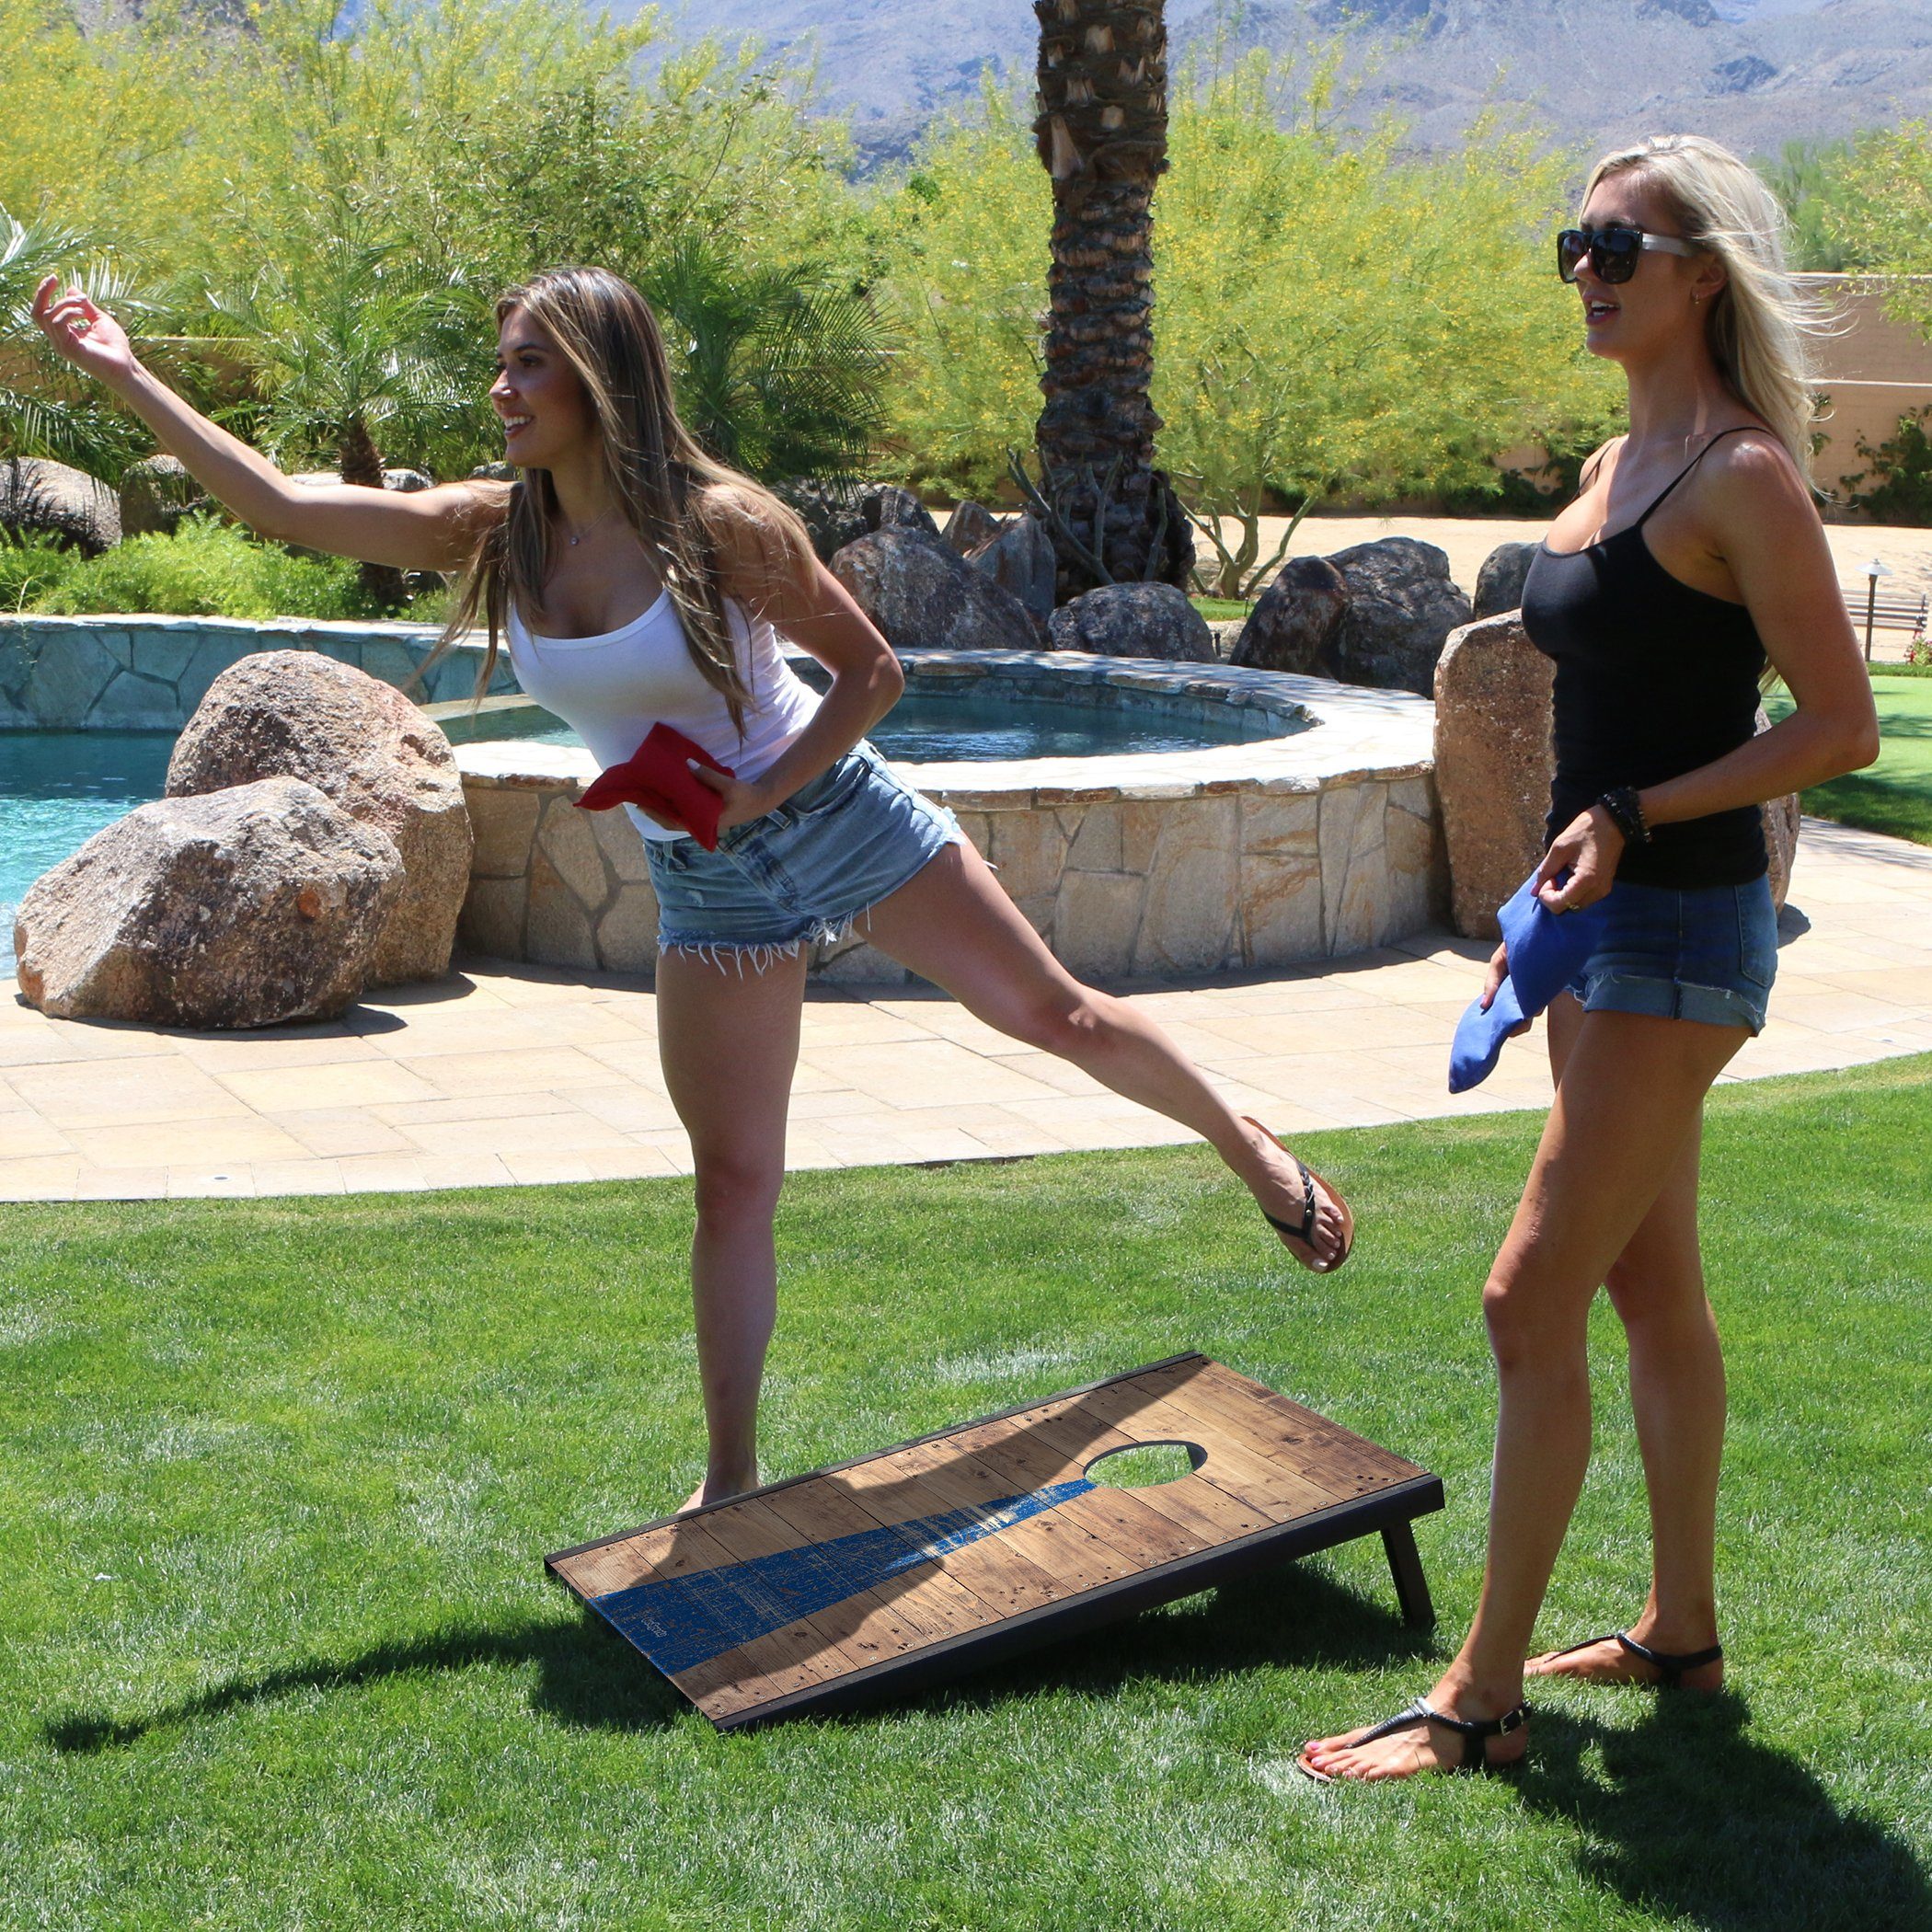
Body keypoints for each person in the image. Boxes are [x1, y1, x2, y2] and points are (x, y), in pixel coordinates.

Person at [32, 262, 1353, 1513]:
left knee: (1052, 1014)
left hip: (833, 814)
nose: (499, 389)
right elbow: (281, 505)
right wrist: (125, 373)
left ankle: (1245, 1144)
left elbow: (874, 675)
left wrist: (763, 796)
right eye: (501, 363)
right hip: (703, 878)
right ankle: (732, 1478)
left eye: (526, 365)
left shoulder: (720, 528)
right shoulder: (500, 532)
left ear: (597, 377)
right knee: (732, 1179)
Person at [1298, 135, 1879, 1783]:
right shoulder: (1618, 464)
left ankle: (1477, 1700)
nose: (1586, 270)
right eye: (1576, 241)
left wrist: (1632, 815)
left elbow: (1837, 728)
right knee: (1648, 1284)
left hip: (1685, 924)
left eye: (1620, 246)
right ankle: (1681, 1630)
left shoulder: (1743, 476)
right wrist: (1547, 906)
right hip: (1600, 922)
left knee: (1526, 1293)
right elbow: (1608, 708)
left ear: (1704, 272)